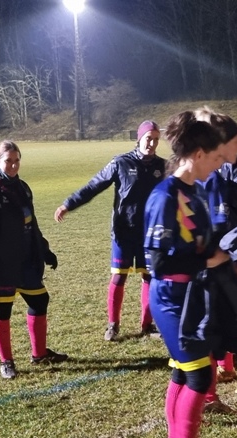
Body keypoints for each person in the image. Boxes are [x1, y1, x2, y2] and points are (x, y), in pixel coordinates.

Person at [143, 111, 228, 438]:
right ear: (197, 154)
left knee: (183, 372)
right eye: (215, 157)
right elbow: (158, 262)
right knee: (200, 374)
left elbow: (203, 244)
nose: (220, 163)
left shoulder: (195, 192)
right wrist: (207, 261)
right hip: (170, 297)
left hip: (193, 296)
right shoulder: (165, 196)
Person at [54, 121, 165, 341]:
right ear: (139, 138)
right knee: (118, 277)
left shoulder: (163, 167)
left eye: (155, 140)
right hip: (124, 231)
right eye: (148, 138)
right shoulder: (121, 163)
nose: (151, 144)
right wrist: (69, 204)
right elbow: (93, 186)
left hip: (150, 233)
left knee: (150, 277)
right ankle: (113, 325)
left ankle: (147, 325)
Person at [0, 140, 68, 379]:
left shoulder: (22, 187)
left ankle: (39, 354)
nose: (13, 165)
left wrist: (44, 250)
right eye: (8, 161)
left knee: (40, 300)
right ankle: (6, 362)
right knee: (2, 307)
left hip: (26, 257)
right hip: (2, 262)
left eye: (17, 160)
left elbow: (31, 224)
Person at [194, 106, 237, 412]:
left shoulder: (235, 164)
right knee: (209, 324)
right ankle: (212, 390)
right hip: (204, 255)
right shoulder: (191, 166)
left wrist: (222, 186)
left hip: (235, 250)